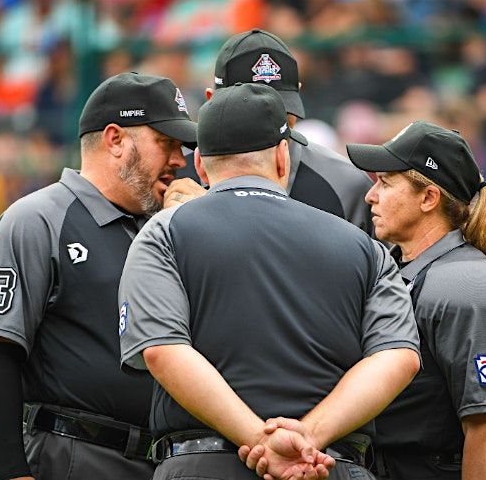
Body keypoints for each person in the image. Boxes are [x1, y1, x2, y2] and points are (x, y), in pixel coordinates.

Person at [118, 82, 421, 480]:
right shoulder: (363, 245)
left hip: (206, 466)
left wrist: (260, 442)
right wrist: (309, 436)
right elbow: (399, 356)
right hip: (329, 466)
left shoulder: (164, 232)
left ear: (202, 166)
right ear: (283, 158)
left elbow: (163, 349)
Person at [0, 72, 196, 480]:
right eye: (167, 143)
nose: (180, 159)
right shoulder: (38, 218)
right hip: (75, 454)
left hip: (164, 463)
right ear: (115, 140)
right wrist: (12, 473)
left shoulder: (169, 226)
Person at [343, 121, 486, 479]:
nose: (370, 196)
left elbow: (484, 428)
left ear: (428, 198)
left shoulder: (469, 283)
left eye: (386, 183)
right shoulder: (390, 262)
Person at [169, 28, 374, 233]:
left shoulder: (346, 185)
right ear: (211, 100)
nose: (269, 123)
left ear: (299, 94)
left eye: (283, 110)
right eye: (247, 110)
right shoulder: (172, 174)